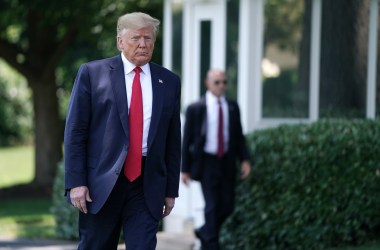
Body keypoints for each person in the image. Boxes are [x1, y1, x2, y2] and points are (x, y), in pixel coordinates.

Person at [64, 12, 181, 250]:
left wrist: (170, 190)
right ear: (120, 41)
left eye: (148, 38)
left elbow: (172, 140)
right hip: (101, 184)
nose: (143, 44)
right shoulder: (92, 74)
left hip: (146, 184)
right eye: (136, 38)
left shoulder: (168, 81)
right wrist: (76, 182)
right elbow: (75, 132)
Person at [181, 69, 251, 250]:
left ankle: (204, 231)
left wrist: (245, 159)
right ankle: (212, 245)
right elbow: (186, 140)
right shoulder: (195, 108)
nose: (221, 86)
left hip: (227, 161)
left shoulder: (232, 106)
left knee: (227, 205)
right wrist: (185, 169)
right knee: (211, 206)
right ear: (208, 83)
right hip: (206, 163)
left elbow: (239, 136)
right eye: (217, 82)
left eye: (224, 82)